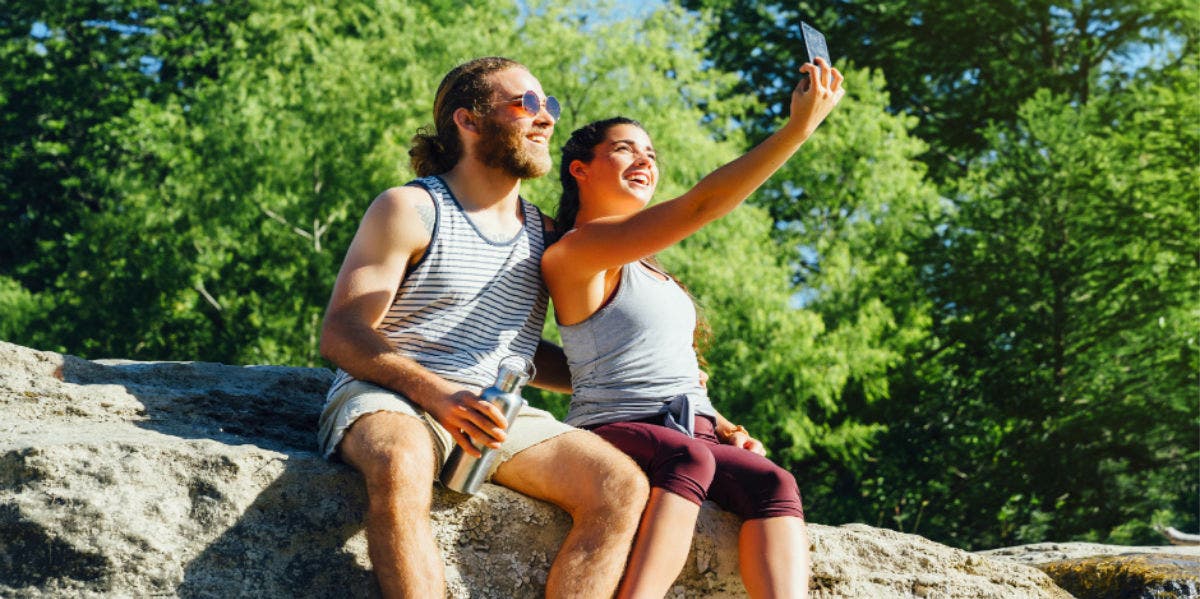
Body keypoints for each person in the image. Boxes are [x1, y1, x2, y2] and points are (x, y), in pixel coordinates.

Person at [317, 56, 649, 598]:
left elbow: (522, 350)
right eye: (527, 104)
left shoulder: (544, 232)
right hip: (391, 397)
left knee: (619, 485)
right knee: (401, 461)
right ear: (468, 121)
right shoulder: (411, 207)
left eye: (550, 106)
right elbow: (344, 331)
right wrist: (439, 394)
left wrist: (664, 393)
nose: (546, 119)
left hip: (497, 411)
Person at [541, 58, 845, 598]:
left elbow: (671, 369)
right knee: (689, 456)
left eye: (651, 154)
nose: (645, 159)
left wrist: (723, 424)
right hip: (615, 430)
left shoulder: (649, 269)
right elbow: (703, 204)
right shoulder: (577, 252)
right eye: (625, 148)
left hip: (690, 430)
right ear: (579, 170)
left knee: (774, 481)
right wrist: (797, 129)